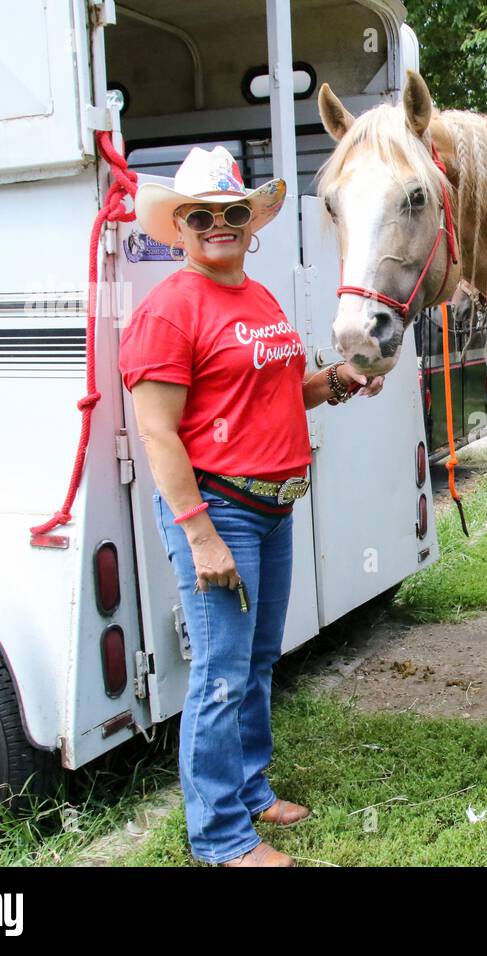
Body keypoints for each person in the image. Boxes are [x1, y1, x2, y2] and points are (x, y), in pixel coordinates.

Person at [119, 145, 384, 867]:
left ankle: (250, 788)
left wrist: (334, 382)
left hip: (272, 508)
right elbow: (156, 431)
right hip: (221, 513)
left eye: (232, 212)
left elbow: (273, 391)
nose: (218, 225)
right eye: (200, 216)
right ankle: (222, 837)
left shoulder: (258, 297)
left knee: (258, 659)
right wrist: (200, 535)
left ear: (249, 219)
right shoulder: (168, 310)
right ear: (179, 226)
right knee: (222, 672)